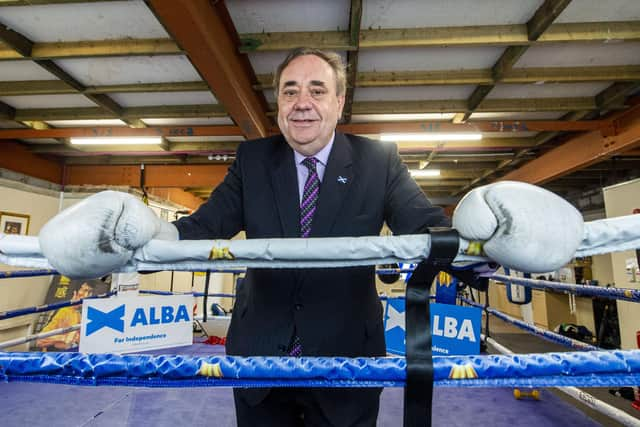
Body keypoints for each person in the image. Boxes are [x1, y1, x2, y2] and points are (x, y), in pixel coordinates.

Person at [38, 48, 585, 426]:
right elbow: (202, 230)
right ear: (278, 102)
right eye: (290, 90)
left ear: (338, 103)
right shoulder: (254, 159)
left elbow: (421, 223)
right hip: (259, 359)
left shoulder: (378, 160)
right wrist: (140, 238)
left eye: (316, 90)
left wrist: (477, 238)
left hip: (347, 355)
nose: (302, 101)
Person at [36, 281, 94, 351]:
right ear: (75, 293)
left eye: (88, 292)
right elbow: (40, 341)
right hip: (56, 356)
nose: (83, 294)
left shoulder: (87, 315)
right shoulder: (63, 311)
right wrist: (65, 338)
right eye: (82, 290)